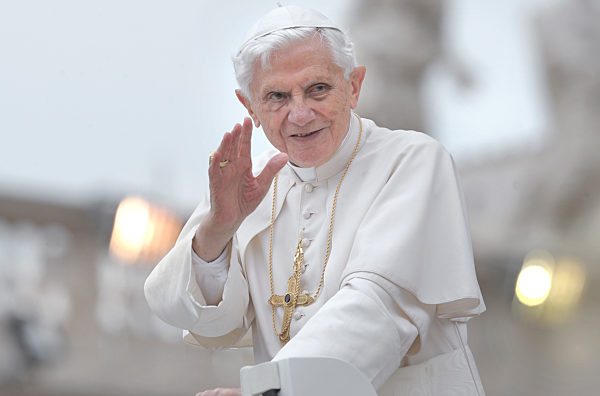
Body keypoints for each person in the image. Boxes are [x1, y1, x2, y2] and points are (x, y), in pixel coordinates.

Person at [144, 5, 486, 396]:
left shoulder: (413, 161)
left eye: (318, 89)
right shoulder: (248, 185)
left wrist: (268, 392)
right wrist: (219, 228)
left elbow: (377, 310)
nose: (301, 114)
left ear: (354, 86)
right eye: (277, 96)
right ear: (250, 107)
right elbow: (206, 323)